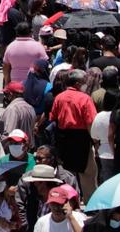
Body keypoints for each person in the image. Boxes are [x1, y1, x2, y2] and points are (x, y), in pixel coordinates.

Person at [49, 70, 97, 200]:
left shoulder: (59, 97)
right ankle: (89, 200)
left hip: (63, 137)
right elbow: (90, 122)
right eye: (83, 82)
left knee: (67, 171)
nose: (85, 84)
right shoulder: (85, 98)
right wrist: (95, 142)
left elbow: (53, 117)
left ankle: (67, 198)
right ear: (77, 83)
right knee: (88, 173)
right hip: (81, 138)